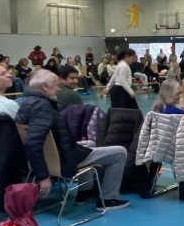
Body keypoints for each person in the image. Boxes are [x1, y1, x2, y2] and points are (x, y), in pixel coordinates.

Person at [16, 69, 129, 210]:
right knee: (120, 152)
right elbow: (33, 143)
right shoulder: (43, 107)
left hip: (53, 155)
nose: (58, 89)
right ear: (45, 87)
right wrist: (43, 176)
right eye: (56, 85)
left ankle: (85, 192)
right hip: (65, 158)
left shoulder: (26, 104)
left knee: (90, 143)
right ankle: (108, 199)